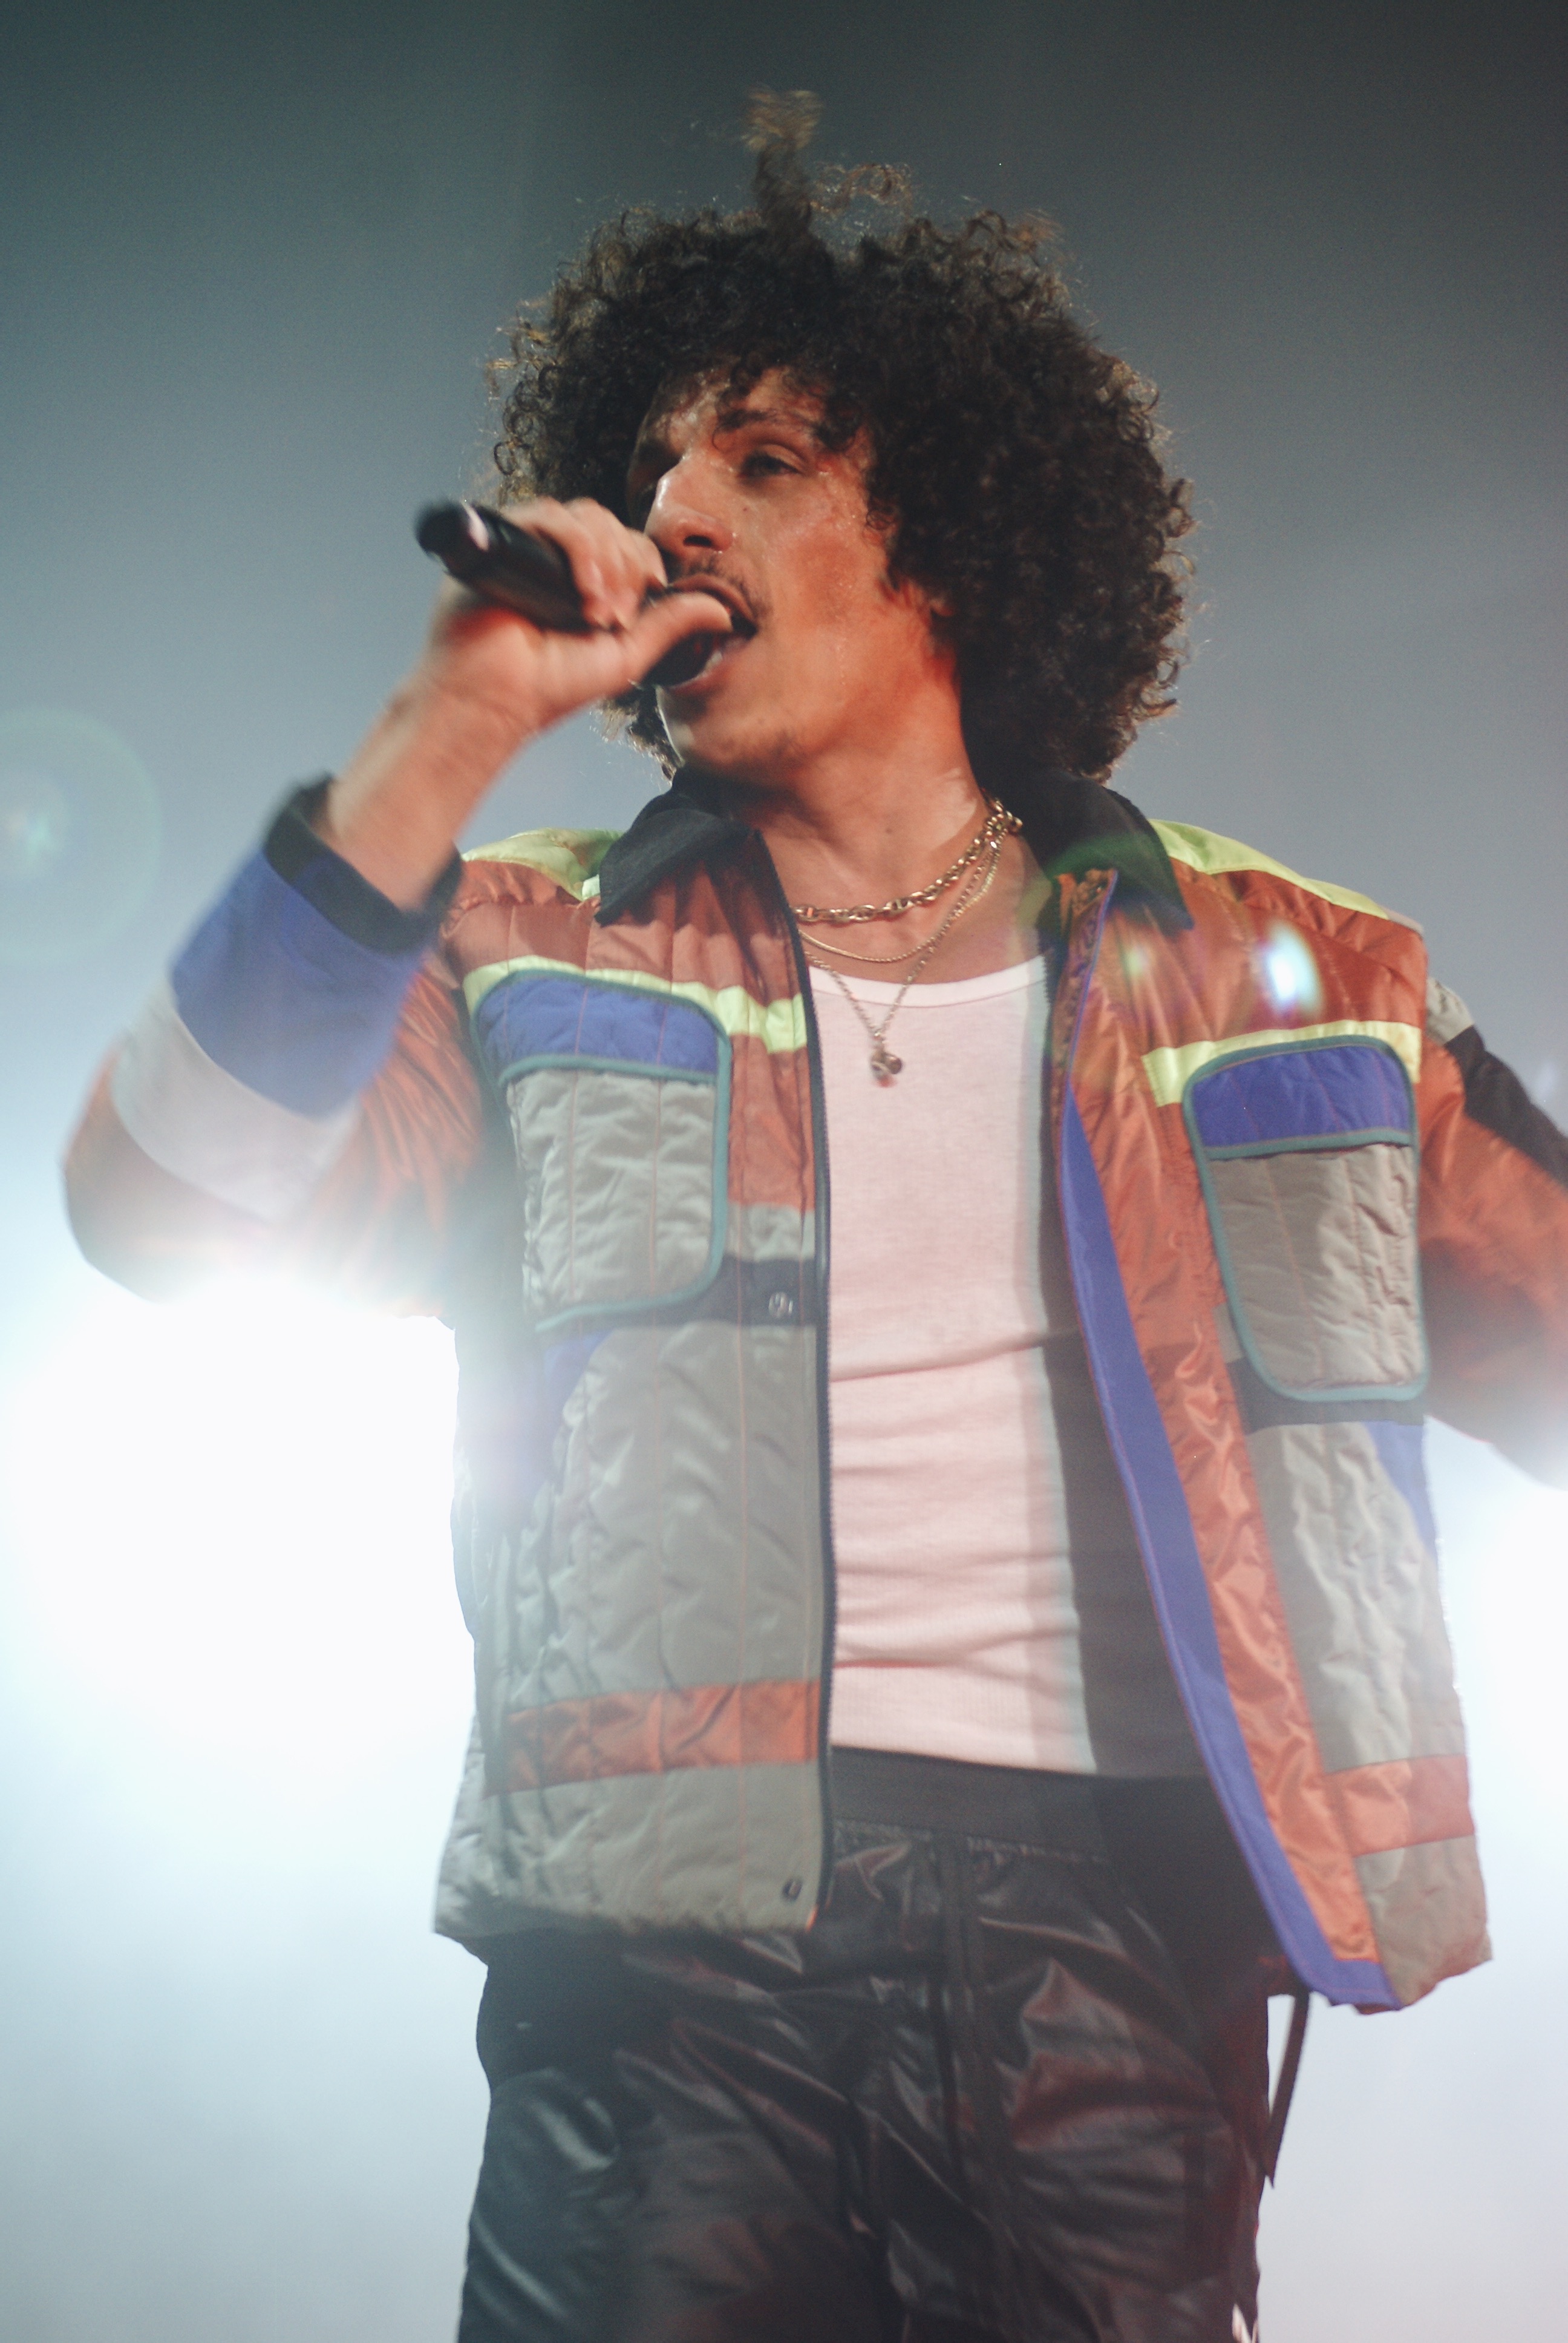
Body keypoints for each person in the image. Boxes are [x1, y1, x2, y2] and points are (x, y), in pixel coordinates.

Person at [64, 100, 1568, 2343]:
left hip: (1122, 1974)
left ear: (949, 535)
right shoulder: (518, 943)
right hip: (665, 1988)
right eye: (657, 469)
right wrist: (449, 725)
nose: (677, 508)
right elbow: (166, 1201)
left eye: (761, 461)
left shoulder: (1301, 977)